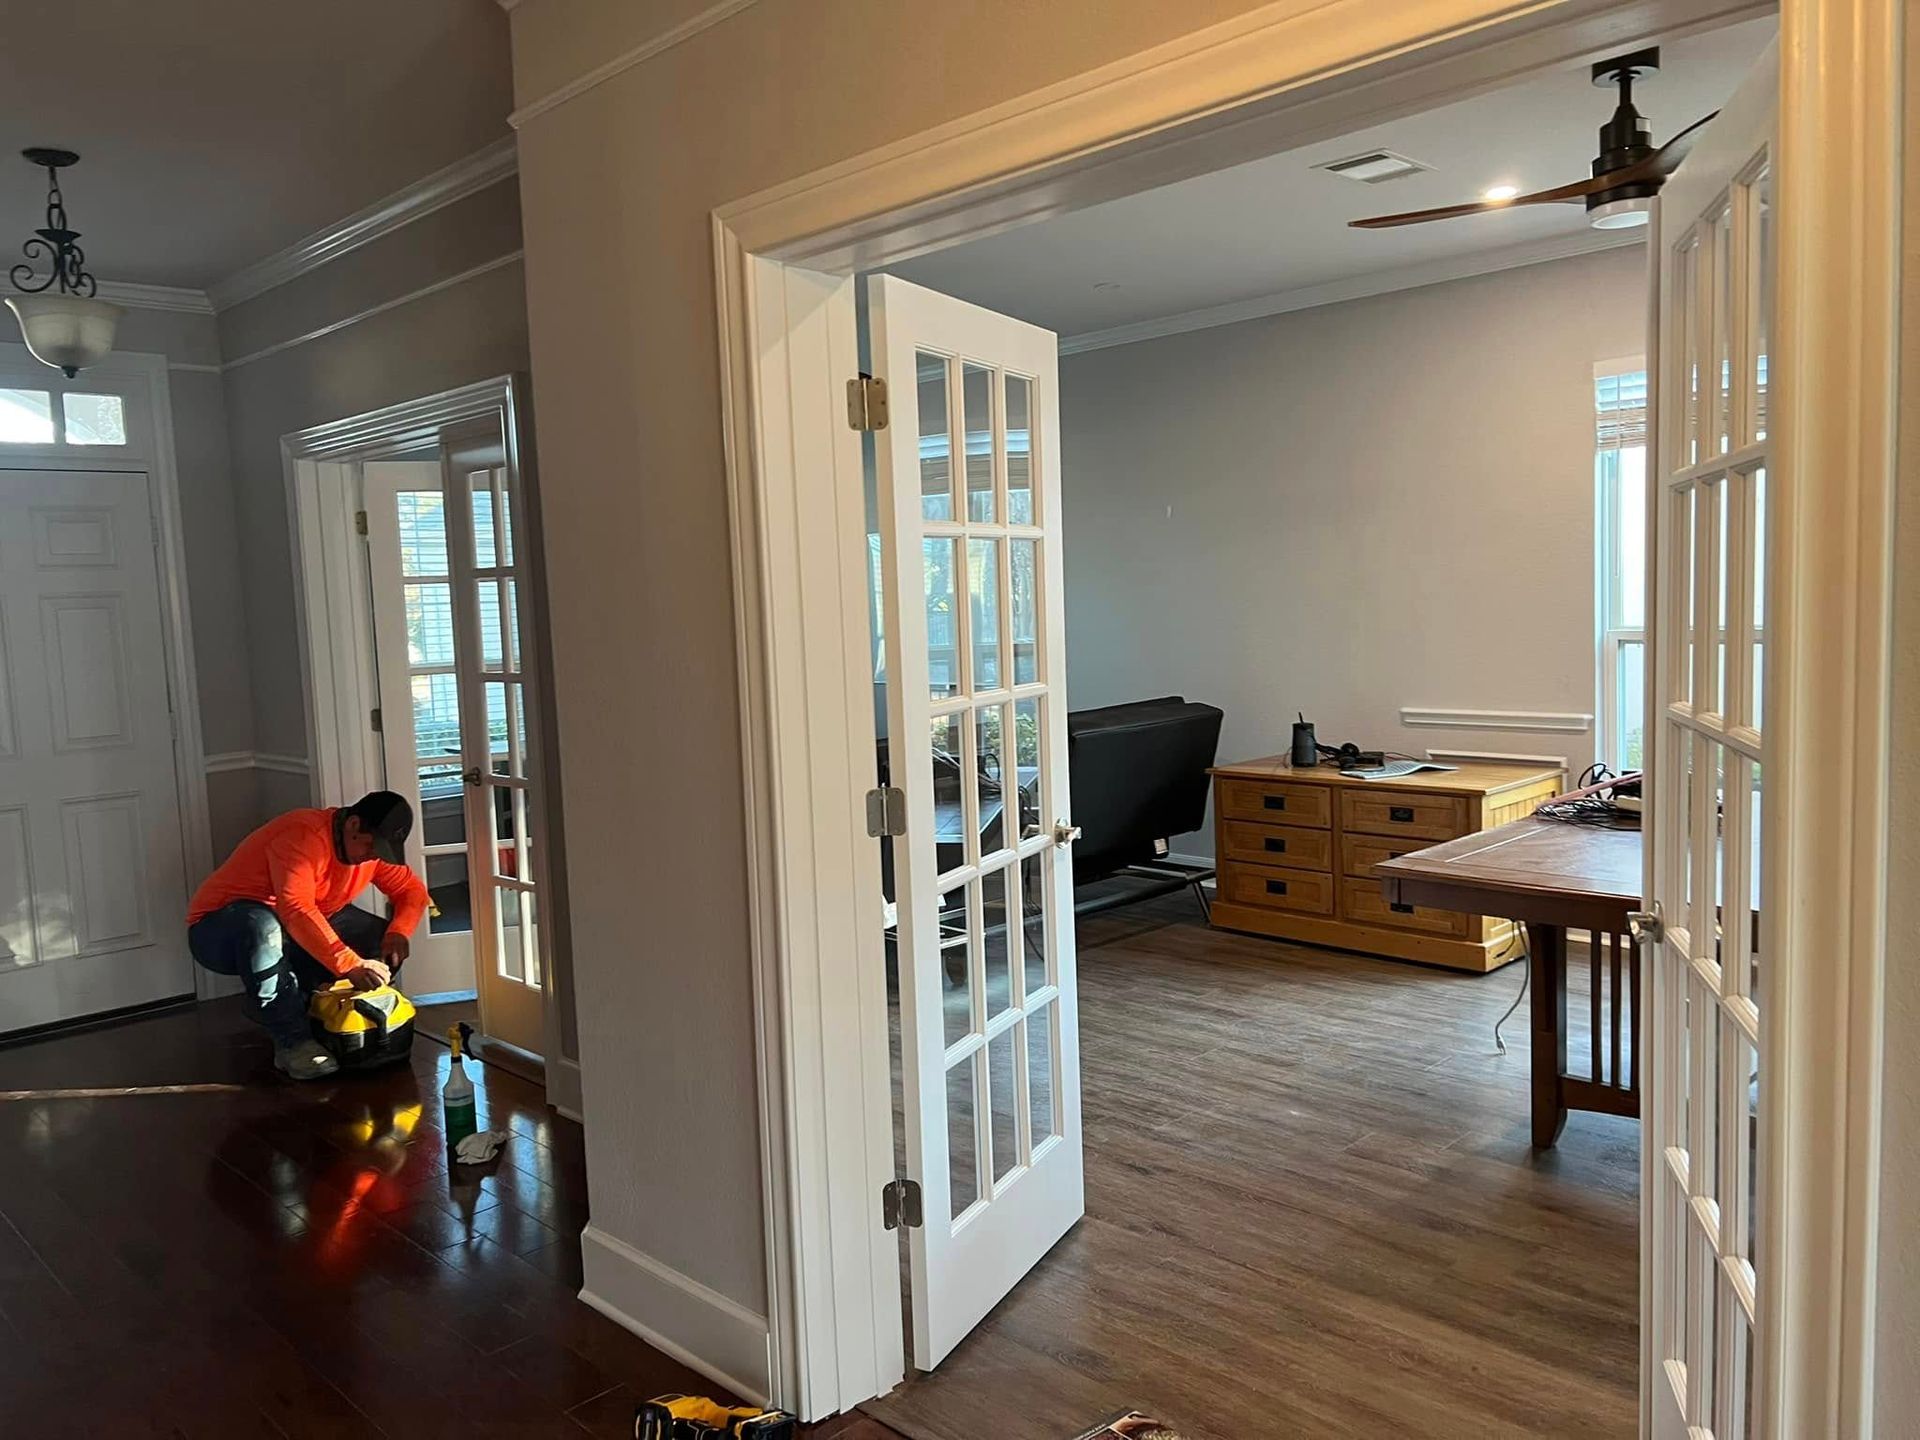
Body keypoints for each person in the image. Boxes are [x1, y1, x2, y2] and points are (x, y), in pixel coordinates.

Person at [187, 791, 430, 1080]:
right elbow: (297, 910)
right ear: (352, 825)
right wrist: (349, 964)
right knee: (262, 928)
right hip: (219, 930)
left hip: (290, 926)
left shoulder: (372, 850)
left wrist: (399, 931)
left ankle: (313, 1017)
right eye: (370, 846)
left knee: (377, 941)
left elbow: (411, 892)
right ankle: (293, 1043)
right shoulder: (302, 836)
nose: (372, 856)